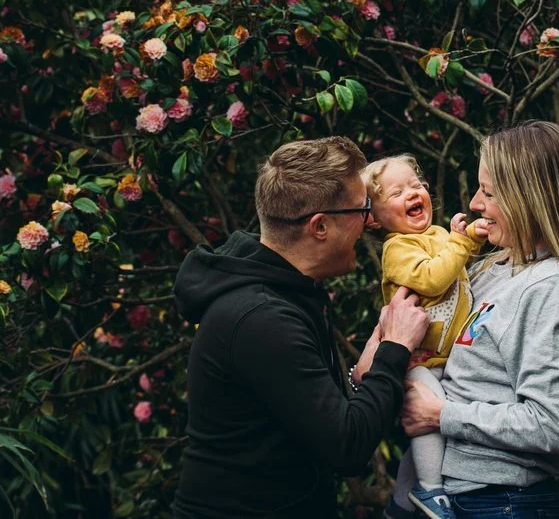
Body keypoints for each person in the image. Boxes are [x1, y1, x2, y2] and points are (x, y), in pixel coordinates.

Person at [172, 136, 430, 518]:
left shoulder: (289, 290)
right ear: (320, 226)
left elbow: (311, 417)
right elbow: (347, 448)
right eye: (362, 208)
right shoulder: (261, 319)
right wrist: (395, 347)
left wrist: (364, 375)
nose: (370, 220)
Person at [397, 120, 559, 518]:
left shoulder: (550, 292)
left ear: (529, 199)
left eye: (489, 192)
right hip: (468, 499)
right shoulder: (493, 269)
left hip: (504, 503)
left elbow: (550, 425)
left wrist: (441, 415)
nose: (475, 203)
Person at [360, 155, 487, 519]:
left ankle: (401, 504)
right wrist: (460, 244)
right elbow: (433, 278)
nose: (412, 194)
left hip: (444, 358)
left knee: (429, 430)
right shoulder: (397, 249)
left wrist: (470, 240)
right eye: (397, 193)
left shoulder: (436, 235)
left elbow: (456, 262)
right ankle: (431, 490)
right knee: (429, 418)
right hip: (418, 361)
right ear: (374, 219)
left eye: (416, 186)